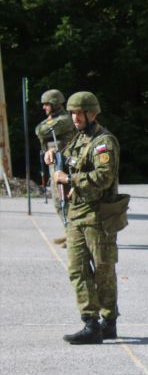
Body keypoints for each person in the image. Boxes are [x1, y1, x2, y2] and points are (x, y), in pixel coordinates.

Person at [46, 91, 124, 344]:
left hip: (98, 215)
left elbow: (103, 177)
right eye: (72, 113)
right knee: (77, 269)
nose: (74, 118)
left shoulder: (103, 143)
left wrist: (69, 179)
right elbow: (67, 157)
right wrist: (52, 156)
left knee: (103, 270)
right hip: (76, 213)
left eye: (79, 113)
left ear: (92, 113)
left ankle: (108, 321)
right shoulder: (79, 138)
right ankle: (90, 322)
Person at [34, 89, 75, 247]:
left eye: (47, 104)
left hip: (64, 165)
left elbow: (40, 130)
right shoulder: (55, 119)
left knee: (65, 200)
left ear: (55, 104)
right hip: (55, 164)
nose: (44, 107)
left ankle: (74, 236)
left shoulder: (64, 120)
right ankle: (69, 232)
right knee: (58, 202)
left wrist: (46, 123)